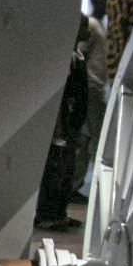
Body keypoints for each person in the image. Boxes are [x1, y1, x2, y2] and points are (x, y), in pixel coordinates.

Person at [35, 14, 90, 231]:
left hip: (70, 123)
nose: (87, 31)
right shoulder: (68, 58)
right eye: (83, 27)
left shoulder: (75, 56)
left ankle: (58, 213)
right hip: (63, 125)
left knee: (65, 171)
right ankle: (49, 214)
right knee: (57, 170)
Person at [73, 0, 111, 198]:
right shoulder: (93, 26)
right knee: (92, 138)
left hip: (94, 88)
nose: (109, 3)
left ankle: (75, 184)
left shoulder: (99, 26)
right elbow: (82, 55)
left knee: (87, 138)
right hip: (90, 88)